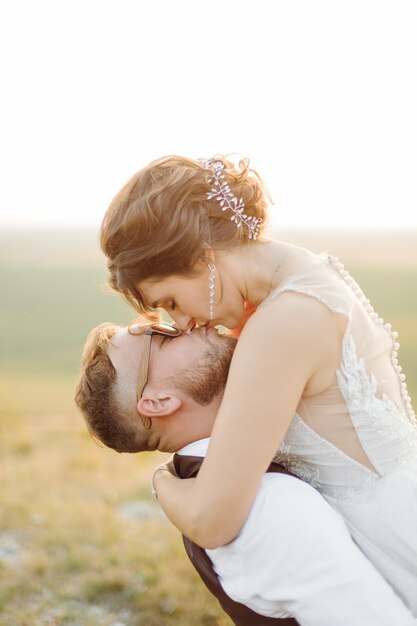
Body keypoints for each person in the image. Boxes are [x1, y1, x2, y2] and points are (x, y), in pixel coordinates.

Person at [99, 155, 417, 614]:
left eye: (169, 301)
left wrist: (162, 482)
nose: (183, 322)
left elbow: (212, 520)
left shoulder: (281, 323)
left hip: (393, 534)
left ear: (198, 256)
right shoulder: (305, 274)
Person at [74, 321, 417, 626]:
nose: (188, 323)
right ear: (159, 401)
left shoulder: (211, 480)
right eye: (163, 336)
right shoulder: (268, 506)